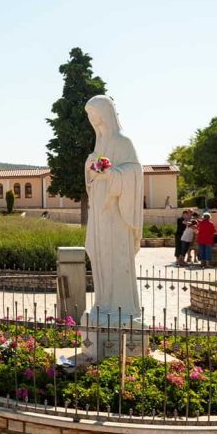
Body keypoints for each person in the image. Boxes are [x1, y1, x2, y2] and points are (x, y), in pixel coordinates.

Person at [84, 95, 143, 314]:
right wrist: (90, 166)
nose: (91, 118)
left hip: (117, 213)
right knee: (100, 255)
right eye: (88, 114)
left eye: (93, 113)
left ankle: (122, 306)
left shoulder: (122, 142)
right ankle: (103, 301)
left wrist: (112, 174)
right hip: (99, 210)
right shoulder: (99, 144)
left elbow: (135, 172)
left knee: (116, 255)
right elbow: (91, 180)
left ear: (105, 113)